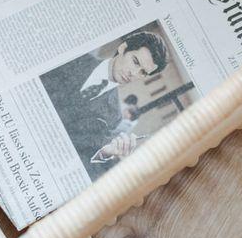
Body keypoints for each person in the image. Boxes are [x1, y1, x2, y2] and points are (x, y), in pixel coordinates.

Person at [41, 30, 170, 179]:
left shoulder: (114, 116)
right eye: (135, 61)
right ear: (122, 48)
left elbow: (83, 152)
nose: (134, 73)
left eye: (143, 72)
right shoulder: (75, 57)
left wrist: (105, 152)